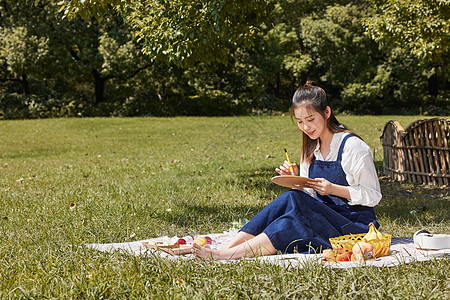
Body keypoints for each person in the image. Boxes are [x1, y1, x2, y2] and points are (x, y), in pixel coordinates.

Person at [192, 81, 382, 260]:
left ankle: (224, 255)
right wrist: (296, 180)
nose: (306, 127)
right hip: (323, 218)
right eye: (299, 122)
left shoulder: (353, 147)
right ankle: (226, 249)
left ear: (327, 112)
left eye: (310, 119)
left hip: (354, 227)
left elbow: (373, 195)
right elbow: (308, 197)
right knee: (292, 198)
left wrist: (333, 189)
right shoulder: (311, 148)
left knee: (292, 222)